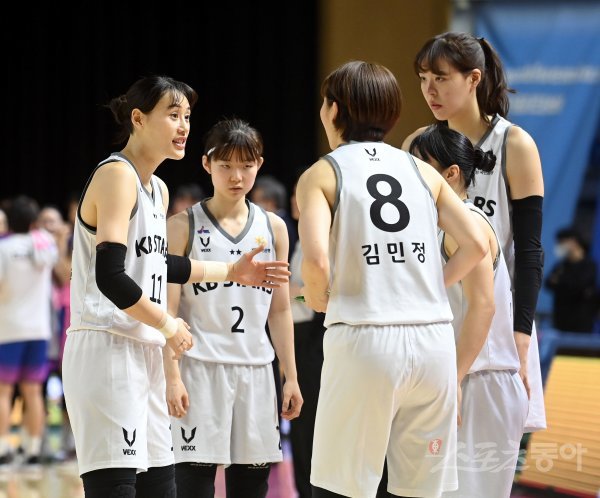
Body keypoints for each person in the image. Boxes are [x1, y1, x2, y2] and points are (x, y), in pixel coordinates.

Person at [61, 76, 290, 498]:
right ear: (138, 118)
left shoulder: (159, 189)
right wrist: (168, 324)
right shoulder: (117, 175)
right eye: (172, 115)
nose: (183, 126)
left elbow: (158, 265)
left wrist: (230, 271)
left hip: (144, 346)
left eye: (186, 116)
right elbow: (110, 276)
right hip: (106, 347)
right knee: (117, 488)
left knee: (162, 488)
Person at [297, 60, 488, 498]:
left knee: (342, 487)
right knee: (420, 490)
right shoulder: (422, 170)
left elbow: (316, 261)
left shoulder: (321, 173)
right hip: (434, 342)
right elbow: (477, 244)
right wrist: (432, 285)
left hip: (365, 339)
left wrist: (318, 298)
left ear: (334, 109)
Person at [403, 31, 547, 434]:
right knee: (428, 452)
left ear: (474, 79)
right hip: (434, 310)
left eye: (441, 78)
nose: (429, 90)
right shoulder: (417, 144)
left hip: (495, 317)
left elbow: (530, 250)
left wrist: (521, 337)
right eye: (423, 78)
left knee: (485, 453)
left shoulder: (514, 143)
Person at [164, 118, 302, 498]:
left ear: (259, 164)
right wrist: (171, 375)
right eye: (226, 165)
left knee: (252, 487)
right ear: (207, 164)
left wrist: (290, 376)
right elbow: (169, 311)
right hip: (199, 369)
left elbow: (280, 310)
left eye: (246, 165)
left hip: (256, 371)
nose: (236, 176)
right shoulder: (181, 226)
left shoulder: (274, 227)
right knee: (193, 486)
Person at [410, 124, 529, 498]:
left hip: (480, 381)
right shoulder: (440, 225)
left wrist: (456, 379)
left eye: (419, 167)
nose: (410, 177)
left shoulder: (468, 223)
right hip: (462, 378)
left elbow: (483, 306)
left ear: (451, 174)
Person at [0, 195, 58, 468]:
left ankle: (3, 448)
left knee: (3, 392)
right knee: (33, 392)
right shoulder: (44, 243)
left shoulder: (4, 248)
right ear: (34, 221)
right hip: (38, 329)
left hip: (8, 329)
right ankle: (33, 449)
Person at [287, 174, 325, 498]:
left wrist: (295, 292)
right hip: (295, 338)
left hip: (314, 340)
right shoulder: (298, 239)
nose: (295, 203)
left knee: (311, 421)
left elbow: (324, 297)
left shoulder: (323, 240)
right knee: (299, 424)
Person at [545, 227, 598, 332]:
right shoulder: (561, 265)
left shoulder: (589, 265)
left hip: (582, 324)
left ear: (573, 241)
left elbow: (579, 286)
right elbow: (548, 283)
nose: (559, 246)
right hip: (560, 322)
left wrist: (560, 282)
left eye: (562, 242)